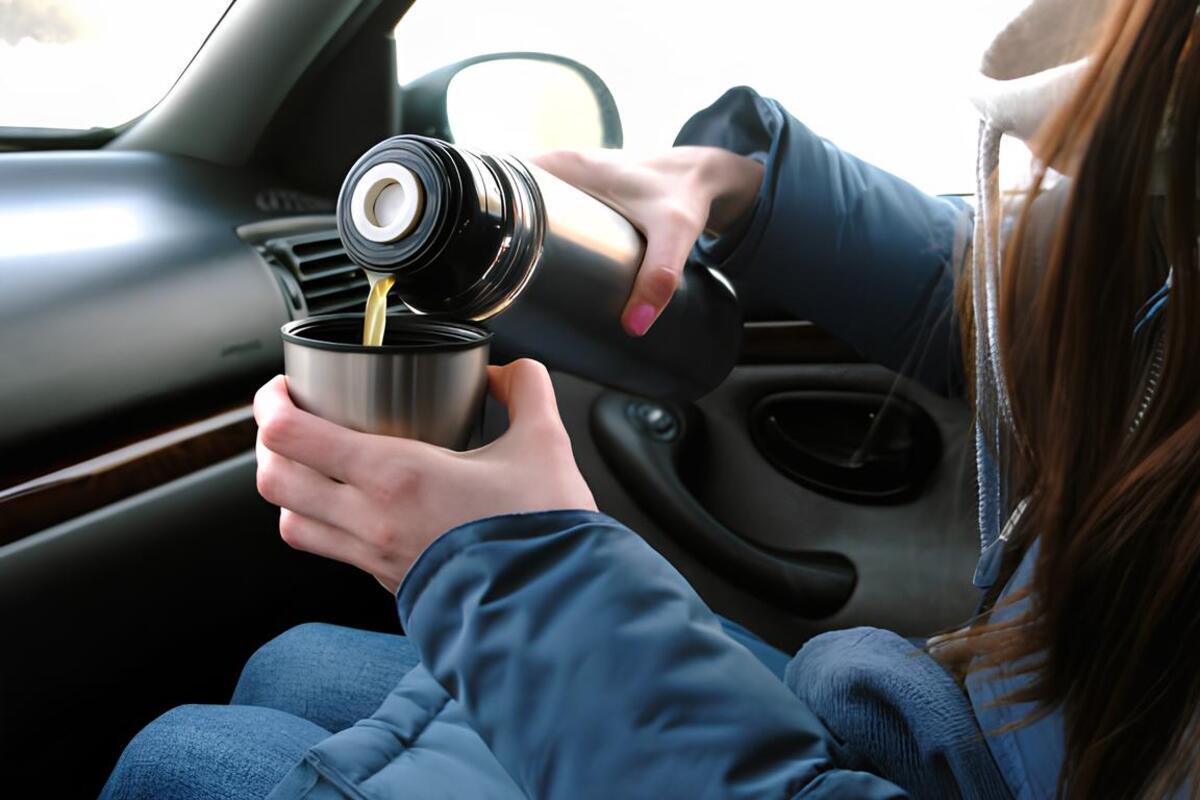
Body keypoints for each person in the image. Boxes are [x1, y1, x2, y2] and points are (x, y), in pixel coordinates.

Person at [101, 0, 1200, 797]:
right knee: (291, 659)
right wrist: (762, 194)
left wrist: (518, 579)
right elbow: (1127, 317)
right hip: (999, 733)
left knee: (178, 760)